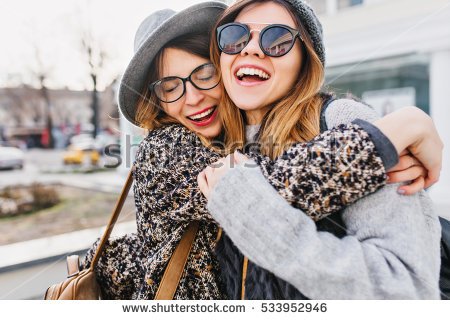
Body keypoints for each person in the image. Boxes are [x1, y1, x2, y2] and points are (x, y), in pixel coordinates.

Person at [83, 1, 442, 300]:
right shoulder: (168, 148)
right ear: (156, 100)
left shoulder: (334, 120)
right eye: (170, 87)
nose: (192, 98)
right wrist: (389, 134)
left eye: (203, 75)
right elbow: (272, 184)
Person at [197, 0, 443, 299]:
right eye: (235, 37)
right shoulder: (215, 143)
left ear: (305, 61)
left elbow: (407, 291)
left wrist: (249, 210)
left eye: (277, 39)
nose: (251, 49)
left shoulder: (345, 121)